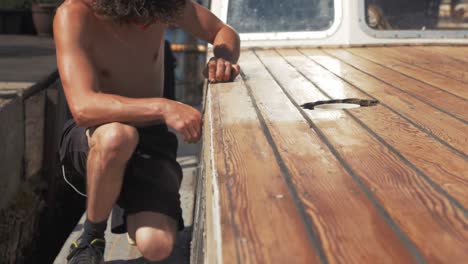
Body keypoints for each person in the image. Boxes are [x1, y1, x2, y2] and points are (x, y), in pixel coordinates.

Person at [54, 0, 240, 263]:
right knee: (118, 137)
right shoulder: (73, 13)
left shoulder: (162, 6)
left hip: (149, 140)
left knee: (157, 246)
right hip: (95, 136)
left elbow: (224, 32)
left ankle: (128, 200)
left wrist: (223, 59)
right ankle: (90, 239)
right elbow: (83, 108)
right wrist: (163, 107)